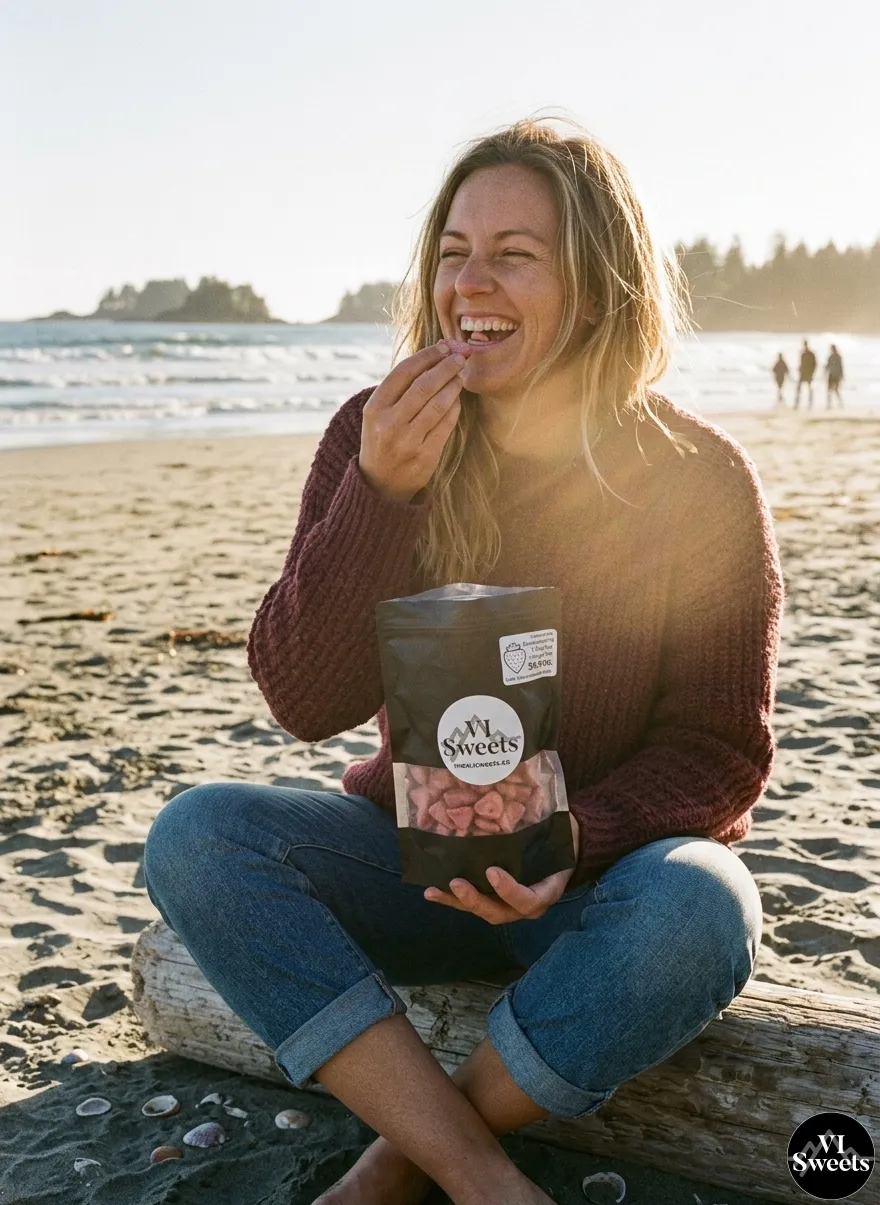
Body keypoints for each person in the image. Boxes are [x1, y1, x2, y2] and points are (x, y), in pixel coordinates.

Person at [144, 117, 783, 1205]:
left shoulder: (695, 476)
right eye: (452, 251)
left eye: (514, 254)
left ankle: (399, 1164)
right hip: (407, 862)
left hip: (597, 888)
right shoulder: (377, 431)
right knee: (197, 835)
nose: (468, 281)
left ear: (593, 287)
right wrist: (381, 494)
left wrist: (574, 837)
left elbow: (720, 749)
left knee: (706, 906)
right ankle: (485, 1177)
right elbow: (302, 699)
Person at [794, 339, 817, 409]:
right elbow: (801, 364)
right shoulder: (803, 353)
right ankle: (797, 403)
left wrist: (812, 372)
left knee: (809, 388)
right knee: (799, 388)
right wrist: (800, 369)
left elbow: (814, 364)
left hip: (808, 373)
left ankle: (810, 403)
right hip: (803, 373)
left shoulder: (810, 354)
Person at [826, 344, 844, 409]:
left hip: (836, 376)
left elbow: (841, 367)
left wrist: (841, 375)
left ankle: (840, 402)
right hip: (831, 375)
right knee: (829, 390)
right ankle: (829, 404)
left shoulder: (838, 357)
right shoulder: (830, 357)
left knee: (836, 390)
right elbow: (828, 365)